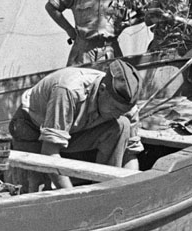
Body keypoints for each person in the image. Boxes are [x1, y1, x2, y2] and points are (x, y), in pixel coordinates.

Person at [8, 59, 144, 190]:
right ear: (102, 90)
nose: (117, 114)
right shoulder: (68, 90)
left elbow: (130, 154)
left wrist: (134, 190)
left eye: (123, 111)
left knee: (121, 125)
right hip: (31, 130)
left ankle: (105, 190)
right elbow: (49, 153)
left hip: (71, 132)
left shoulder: (127, 104)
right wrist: (74, 197)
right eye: (115, 109)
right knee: (35, 192)